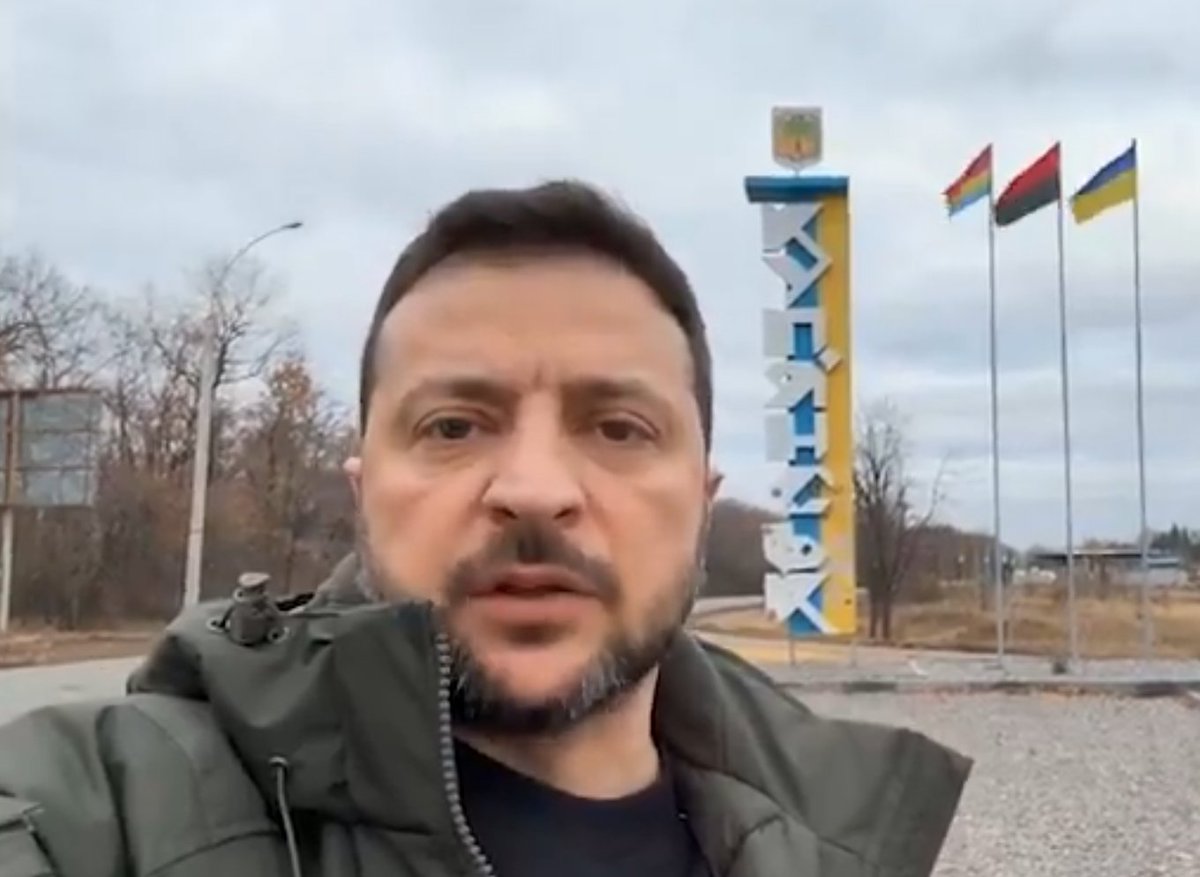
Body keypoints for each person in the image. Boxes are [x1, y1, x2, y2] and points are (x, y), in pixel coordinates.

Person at [0, 180, 970, 877]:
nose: (535, 490)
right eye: (453, 426)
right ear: (363, 491)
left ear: (702, 500)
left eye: (618, 428)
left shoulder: (838, 837)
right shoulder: (102, 810)